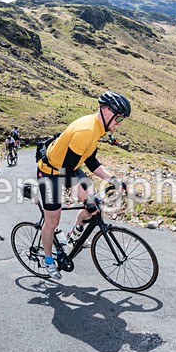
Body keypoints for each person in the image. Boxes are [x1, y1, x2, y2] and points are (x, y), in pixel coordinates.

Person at [36, 90, 131, 279]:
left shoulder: (97, 128)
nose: (119, 123)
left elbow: (91, 162)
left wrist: (114, 180)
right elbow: (65, 172)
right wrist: (84, 198)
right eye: (118, 118)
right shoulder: (86, 130)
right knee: (52, 221)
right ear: (106, 111)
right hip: (50, 173)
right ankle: (47, 260)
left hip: (68, 168)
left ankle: (75, 232)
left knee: (94, 202)